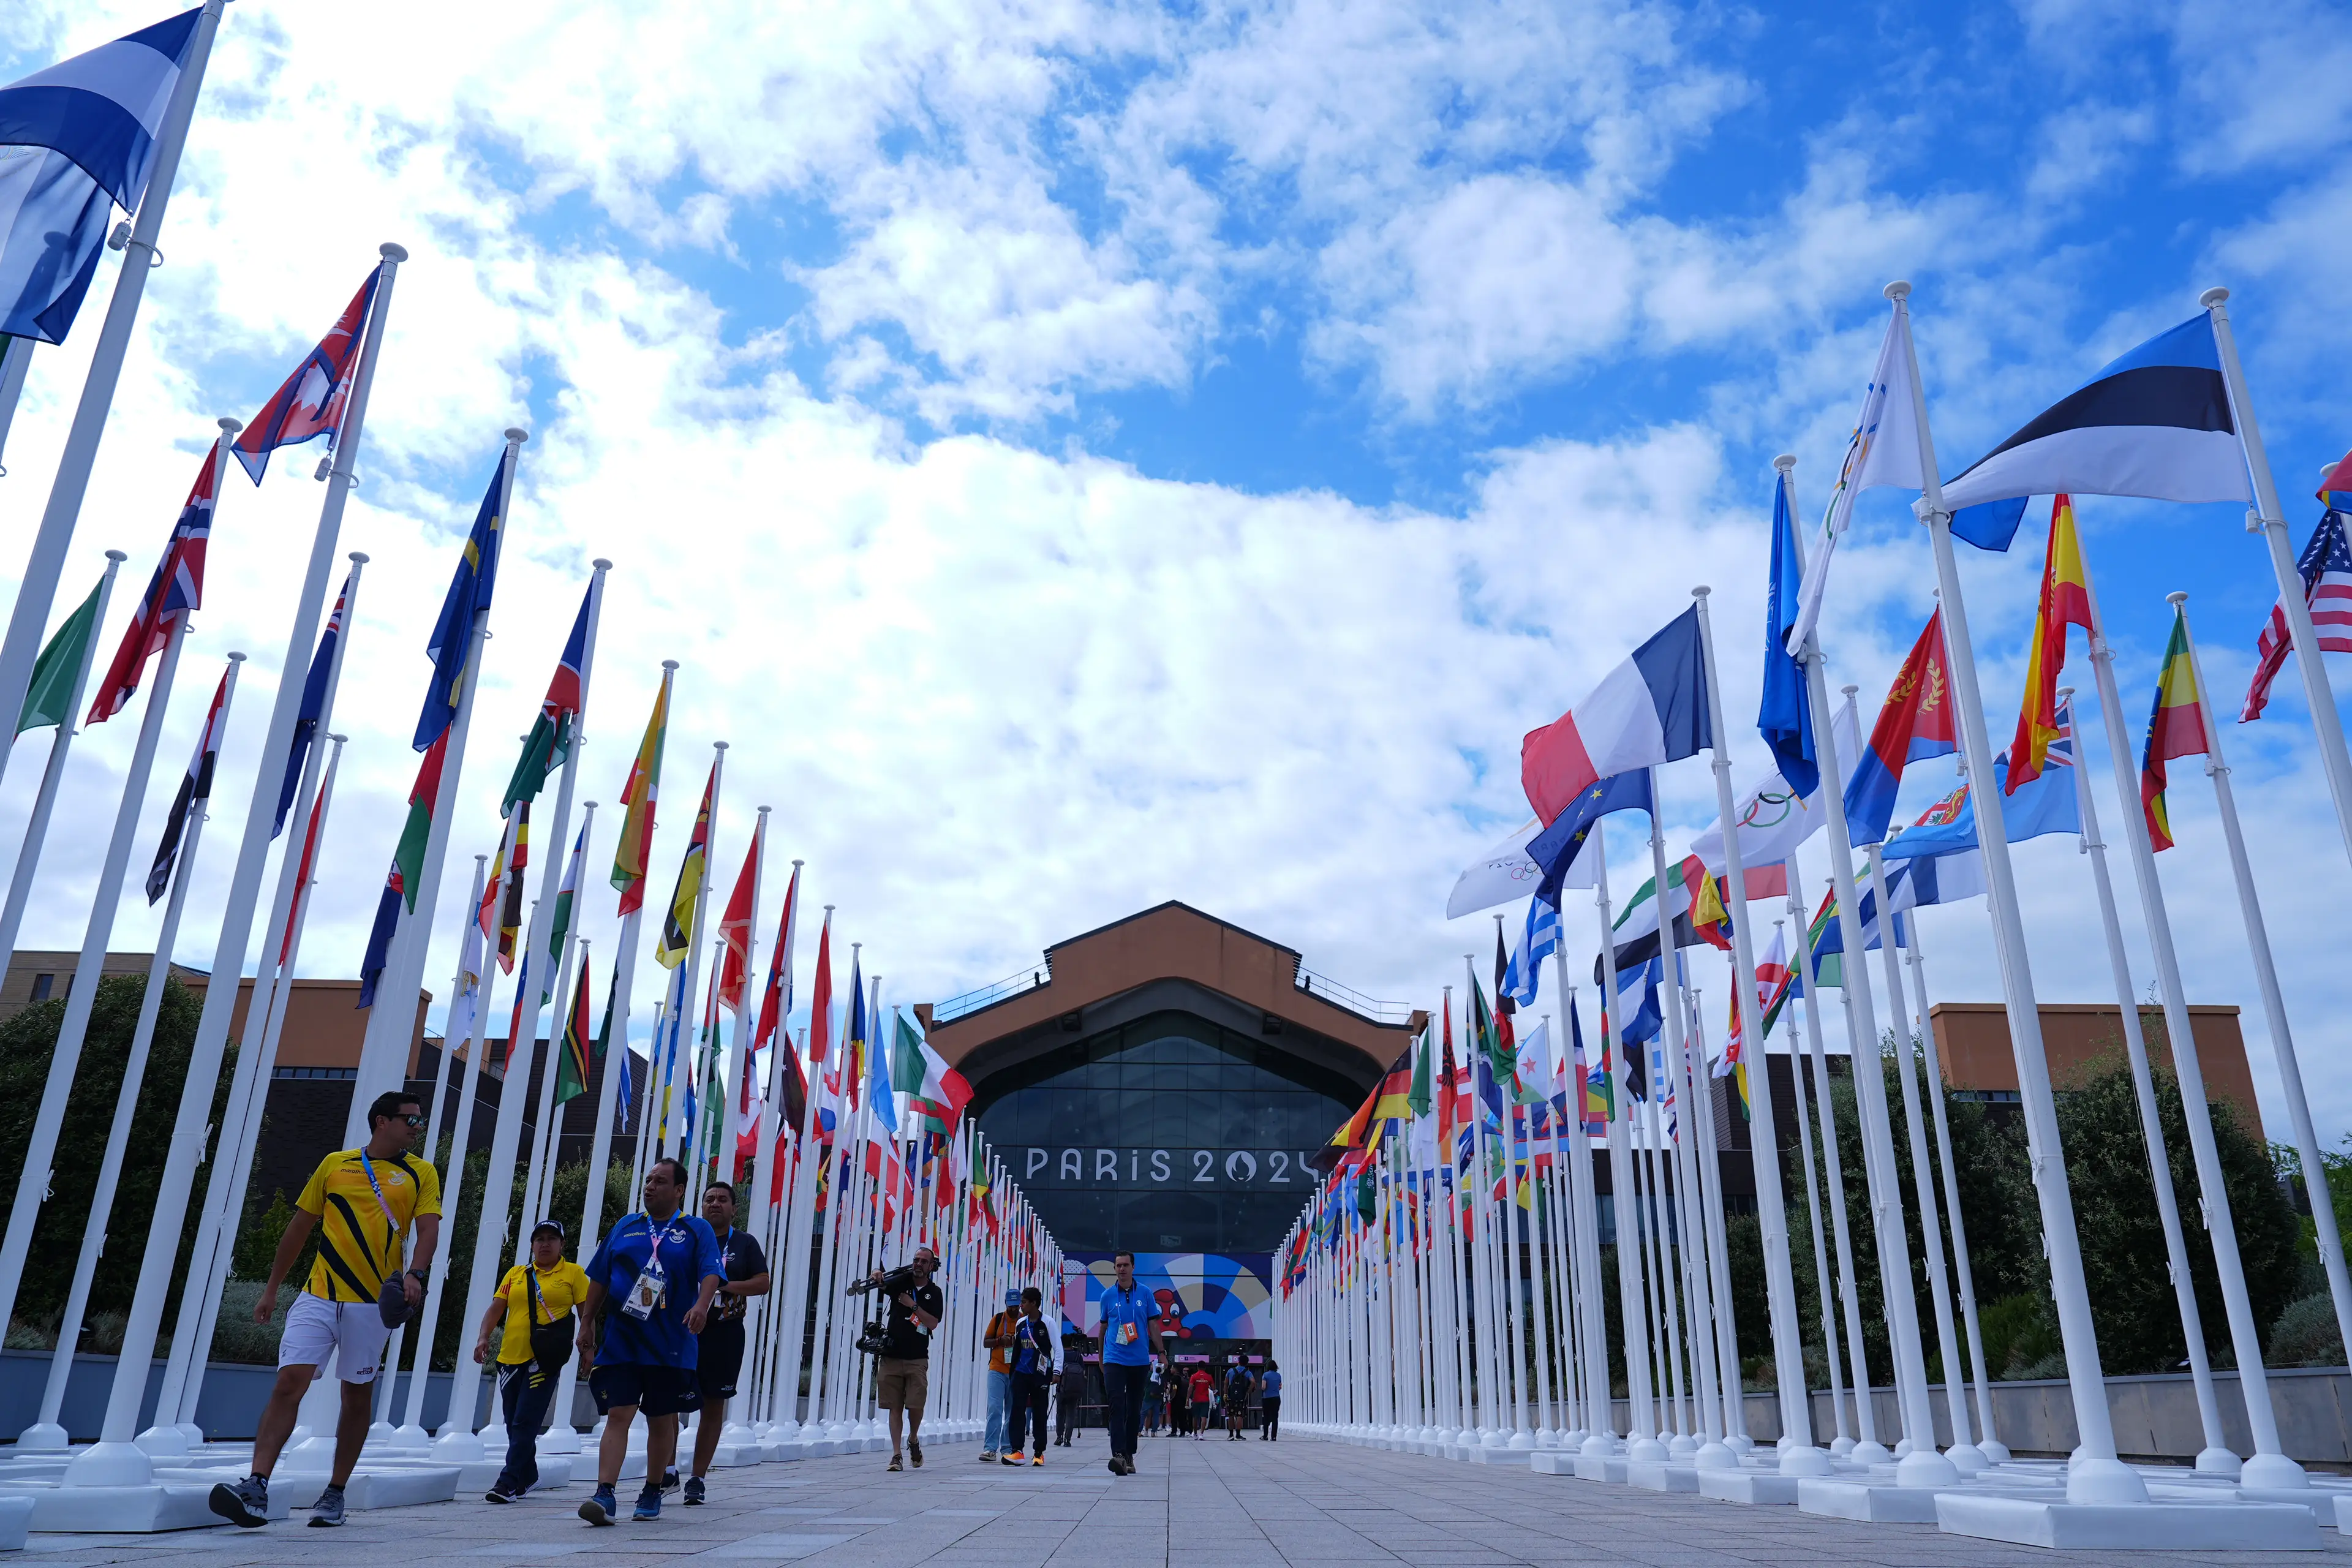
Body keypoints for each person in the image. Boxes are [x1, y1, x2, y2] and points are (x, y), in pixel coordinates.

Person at [208, 1092, 440, 1530]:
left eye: (419, 1121)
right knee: (288, 1383)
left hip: (373, 1304)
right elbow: (299, 1226)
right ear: (380, 1122)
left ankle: (335, 1493)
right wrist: (272, 1289)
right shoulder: (335, 1164)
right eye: (410, 1120)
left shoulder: (421, 1172)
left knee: (355, 1395)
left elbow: (428, 1230)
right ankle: (256, 1484)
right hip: (318, 1295)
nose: (417, 1127)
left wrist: (417, 1275)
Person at [576, 1158, 725, 1526]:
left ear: (678, 1191)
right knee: (618, 1414)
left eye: (660, 1181)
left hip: (671, 1343)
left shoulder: (696, 1229)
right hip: (623, 1340)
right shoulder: (627, 1226)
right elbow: (599, 1276)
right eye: (648, 1180)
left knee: (661, 1419)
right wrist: (588, 1322)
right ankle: (605, 1493)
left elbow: (711, 1271)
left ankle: (653, 1488)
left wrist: (702, 1306)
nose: (650, 1186)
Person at [477, 1219, 589, 1502]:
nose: (545, 1244)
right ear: (532, 1245)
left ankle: (508, 1482)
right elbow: (496, 1309)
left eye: (552, 1238)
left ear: (562, 1244)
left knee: (525, 1421)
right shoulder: (516, 1273)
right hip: (509, 1358)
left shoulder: (574, 1273)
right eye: (540, 1239)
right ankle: (529, 1474)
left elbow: (587, 1314)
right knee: (513, 1420)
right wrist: (483, 1338)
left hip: (545, 1359)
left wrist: (588, 1347)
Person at [680, 1180, 769, 1505]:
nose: (715, 1204)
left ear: (734, 1208)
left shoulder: (744, 1243)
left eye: (722, 1200)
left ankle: (697, 1478)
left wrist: (725, 1285)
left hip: (725, 1333)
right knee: (667, 1400)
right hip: (684, 1331)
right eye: (709, 1199)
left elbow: (763, 1282)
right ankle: (663, 1470)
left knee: (713, 1404)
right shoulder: (686, 1238)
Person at [871, 1244, 945, 1472]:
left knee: (915, 1406)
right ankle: (896, 1455)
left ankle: (913, 1438)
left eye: (924, 1261)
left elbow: (932, 1323)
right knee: (894, 1407)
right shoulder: (902, 1282)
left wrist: (912, 1305)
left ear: (932, 1266)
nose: (918, 1265)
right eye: (916, 1260)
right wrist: (877, 1274)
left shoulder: (935, 1292)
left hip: (917, 1358)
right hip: (892, 1355)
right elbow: (882, 1284)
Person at [1096, 1251, 1155, 1475]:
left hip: (1139, 1361)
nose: (1122, 1269)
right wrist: (1101, 1359)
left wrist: (1160, 1351)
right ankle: (1118, 1455)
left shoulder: (1146, 1294)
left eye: (1125, 1265)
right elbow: (1102, 1330)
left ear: (1133, 1267)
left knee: (1134, 1408)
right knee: (1116, 1405)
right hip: (1114, 1359)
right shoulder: (1107, 1296)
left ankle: (1129, 1453)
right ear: (1114, 1268)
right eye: (1118, 1265)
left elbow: (1154, 1325)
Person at [999, 1286, 1058, 1466]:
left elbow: (1058, 1349)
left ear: (1033, 1303)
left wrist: (1056, 1372)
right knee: (1017, 1411)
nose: (1021, 1306)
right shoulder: (1020, 1324)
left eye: (1024, 1302)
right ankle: (1017, 1451)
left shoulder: (1048, 1323)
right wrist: (1013, 1372)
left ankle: (1039, 1453)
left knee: (1040, 1412)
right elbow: (1017, 1348)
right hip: (1021, 1374)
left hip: (1040, 1375)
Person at [979, 1287, 1020, 1462]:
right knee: (995, 1408)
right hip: (997, 1369)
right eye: (1010, 1306)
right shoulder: (997, 1319)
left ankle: (1007, 1447)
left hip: (1016, 1371)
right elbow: (985, 1342)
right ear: (1005, 1304)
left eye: (1016, 1306)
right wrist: (999, 1340)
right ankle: (990, 1449)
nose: (1013, 1310)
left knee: (1012, 1411)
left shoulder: (1024, 1321)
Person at [1224, 1360, 1253, 1439]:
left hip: (1231, 1396)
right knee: (1239, 1415)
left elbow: (1226, 1383)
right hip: (1241, 1397)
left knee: (1231, 1415)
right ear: (1247, 1363)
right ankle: (1238, 1435)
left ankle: (1231, 1435)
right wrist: (1248, 1392)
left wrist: (1225, 1394)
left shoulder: (1231, 1371)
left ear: (1238, 1362)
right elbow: (1253, 1382)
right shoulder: (1247, 1372)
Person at [1186, 1363, 1214, 1441]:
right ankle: (1201, 1434)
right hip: (1205, 1399)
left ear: (1197, 1367)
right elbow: (1213, 1388)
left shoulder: (1194, 1376)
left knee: (1195, 1417)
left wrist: (1188, 1398)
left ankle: (1195, 1433)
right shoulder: (1209, 1376)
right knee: (1204, 1417)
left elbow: (1190, 1387)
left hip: (1196, 1399)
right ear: (1205, 1368)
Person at [1259, 1360, 1283, 1441]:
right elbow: (1280, 1387)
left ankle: (1265, 1436)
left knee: (1266, 1417)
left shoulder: (1265, 1375)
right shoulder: (1278, 1375)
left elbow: (1263, 1387)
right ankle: (1274, 1437)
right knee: (1275, 1417)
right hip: (1276, 1398)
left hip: (1267, 1398)